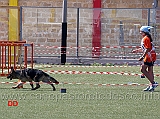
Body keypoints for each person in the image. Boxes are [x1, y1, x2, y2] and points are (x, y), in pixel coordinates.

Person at [132, 26, 158, 91]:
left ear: (144, 32)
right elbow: (145, 48)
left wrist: (142, 56)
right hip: (150, 55)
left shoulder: (146, 38)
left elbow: (147, 49)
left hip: (149, 56)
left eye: (141, 32)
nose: (140, 33)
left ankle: (153, 83)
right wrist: (137, 50)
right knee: (150, 71)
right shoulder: (146, 38)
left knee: (143, 69)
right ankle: (151, 85)